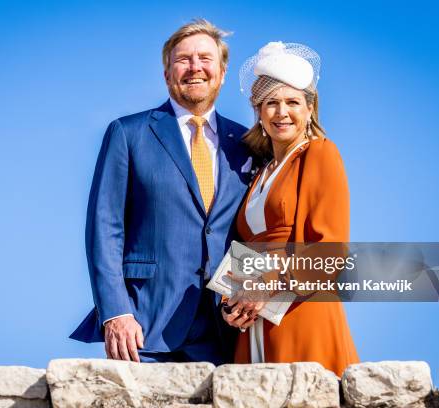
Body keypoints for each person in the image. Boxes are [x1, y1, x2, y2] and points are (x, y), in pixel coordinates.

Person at [70, 19, 252, 365]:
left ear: (223, 72)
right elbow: (104, 229)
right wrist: (115, 313)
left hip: (226, 331)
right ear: (167, 74)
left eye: (205, 58)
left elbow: (259, 228)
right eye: (183, 60)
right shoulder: (128, 133)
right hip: (143, 328)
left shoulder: (247, 144)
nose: (195, 67)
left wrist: (252, 289)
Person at [221, 41, 359, 376]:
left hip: (301, 309)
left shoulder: (320, 154)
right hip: (254, 320)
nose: (282, 112)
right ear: (258, 111)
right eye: (271, 103)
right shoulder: (261, 173)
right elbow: (246, 250)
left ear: (310, 108)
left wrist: (268, 285)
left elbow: (329, 249)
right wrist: (230, 303)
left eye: (292, 102)